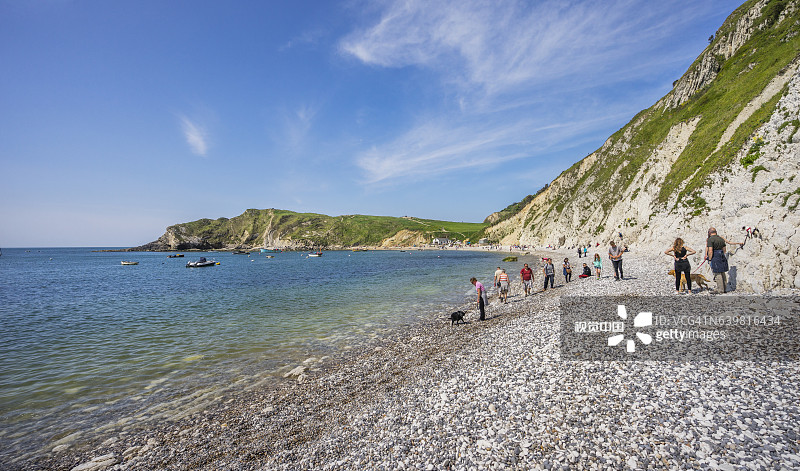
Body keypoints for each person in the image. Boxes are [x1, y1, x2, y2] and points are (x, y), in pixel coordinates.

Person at [705, 228, 730, 293]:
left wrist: (710, 259)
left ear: (709, 233)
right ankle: (724, 288)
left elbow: (710, 251)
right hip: (721, 254)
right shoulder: (721, 238)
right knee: (722, 272)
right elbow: (724, 249)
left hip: (715, 255)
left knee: (717, 272)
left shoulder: (710, 239)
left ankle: (720, 289)